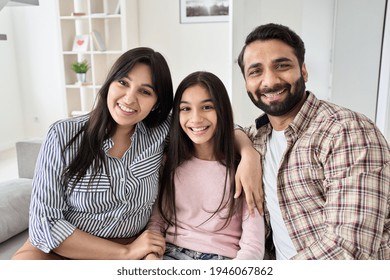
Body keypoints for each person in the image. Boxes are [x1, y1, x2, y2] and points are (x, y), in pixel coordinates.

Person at [12, 48, 262, 260]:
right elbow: (44, 225)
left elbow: (211, 125)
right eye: (123, 82)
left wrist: (249, 154)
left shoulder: (160, 130)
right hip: (65, 247)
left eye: (145, 91)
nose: (129, 98)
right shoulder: (63, 136)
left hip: (131, 244)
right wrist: (126, 253)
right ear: (109, 83)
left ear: (156, 102)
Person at [237, 23, 390, 260]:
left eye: (282, 65)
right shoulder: (259, 136)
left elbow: (347, 250)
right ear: (246, 83)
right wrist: (246, 152)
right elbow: (225, 129)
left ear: (304, 71)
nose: (270, 81)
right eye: (255, 71)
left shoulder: (345, 131)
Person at [145, 71, 265, 260]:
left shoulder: (243, 168)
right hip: (170, 253)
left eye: (207, 107)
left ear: (222, 110)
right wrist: (151, 256)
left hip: (223, 259)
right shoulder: (168, 162)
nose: (196, 119)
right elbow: (156, 223)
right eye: (185, 109)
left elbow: (253, 244)